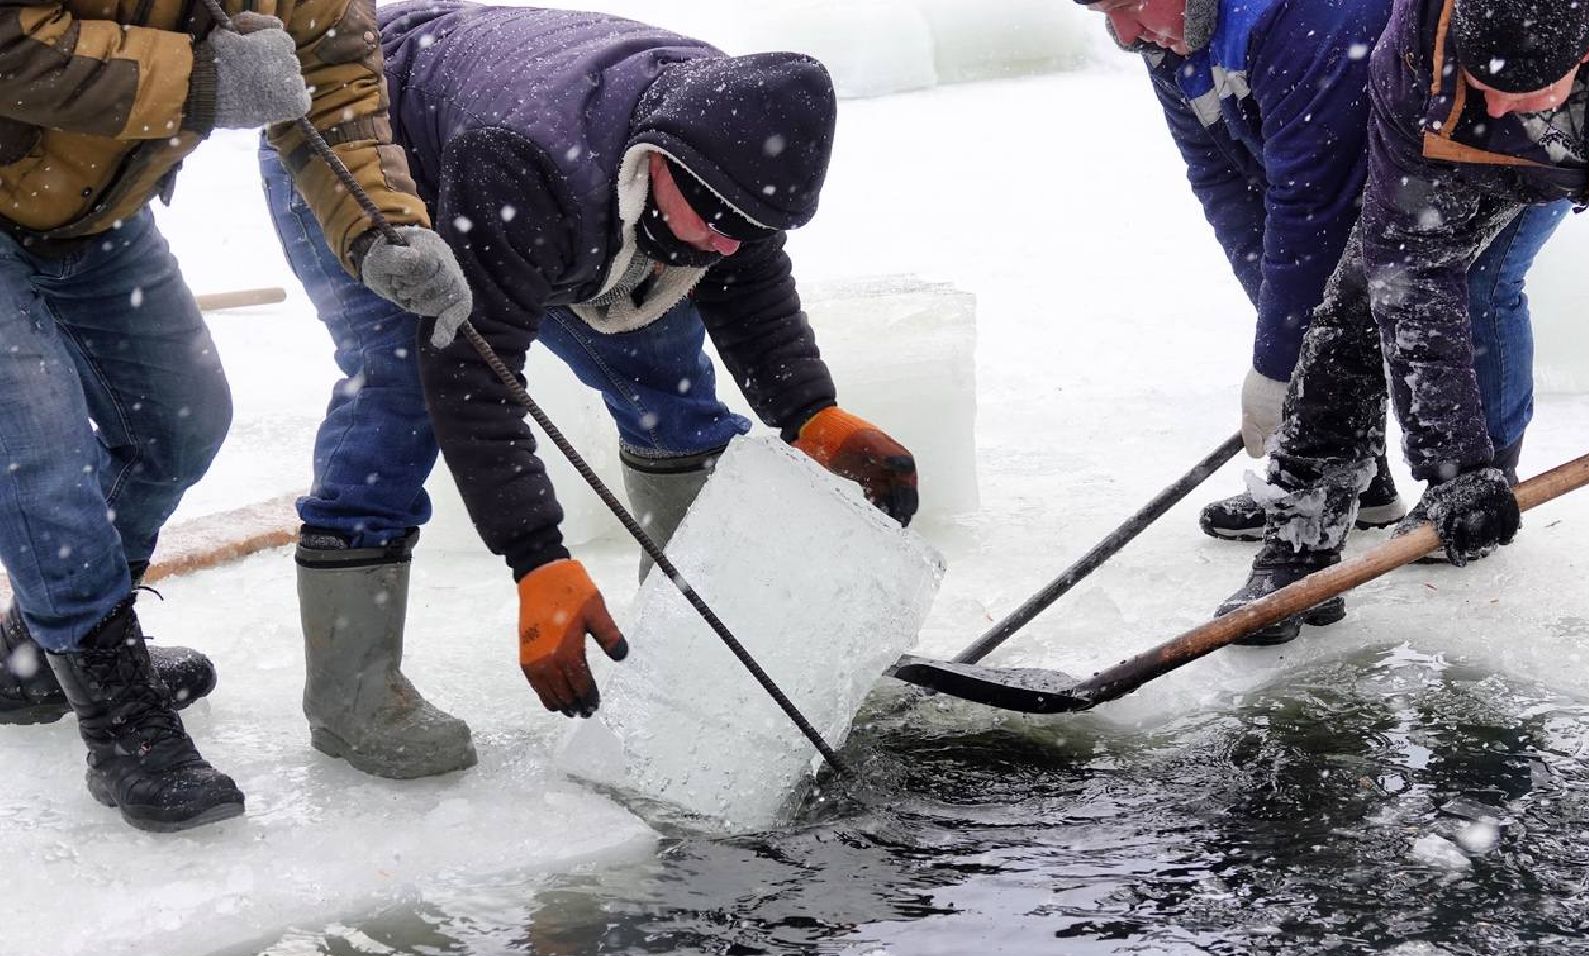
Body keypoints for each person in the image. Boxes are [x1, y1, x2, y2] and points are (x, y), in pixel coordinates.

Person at [261, 1, 919, 780]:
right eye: (713, 220)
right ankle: (351, 694)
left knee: (664, 374)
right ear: (662, 159)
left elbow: (745, 272)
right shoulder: (526, 161)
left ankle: (693, 637)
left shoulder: (735, 136)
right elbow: (470, 376)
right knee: (400, 387)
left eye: (745, 224)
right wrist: (537, 559)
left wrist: (811, 413)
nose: (723, 242)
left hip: (536, 161)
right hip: (358, 141)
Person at [0, 0, 462, 831]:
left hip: (92, 212)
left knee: (179, 424)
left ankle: (35, 653)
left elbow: (332, 82)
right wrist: (198, 81)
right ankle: (119, 714)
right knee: (40, 459)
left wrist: (384, 229)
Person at [1080, 0, 1566, 540]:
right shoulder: (1172, 41)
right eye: (1105, 13)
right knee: (1338, 297)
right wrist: (1288, 345)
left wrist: (1278, 364)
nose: (1124, 34)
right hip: (1397, 159)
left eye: (1128, 4)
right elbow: (1227, 187)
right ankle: (1353, 479)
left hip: (1509, 138)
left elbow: (1315, 208)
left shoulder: (1300, 20)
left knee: (1472, 285)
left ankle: (1477, 489)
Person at [1219, 0, 1589, 643]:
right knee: (1352, 316)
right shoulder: (1414, 60)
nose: (1498, 106)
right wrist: (1456, 469)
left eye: (1520, 92)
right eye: (1487, 84)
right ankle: (1298, 545)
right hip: (1445, 159)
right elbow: (1410, 277)